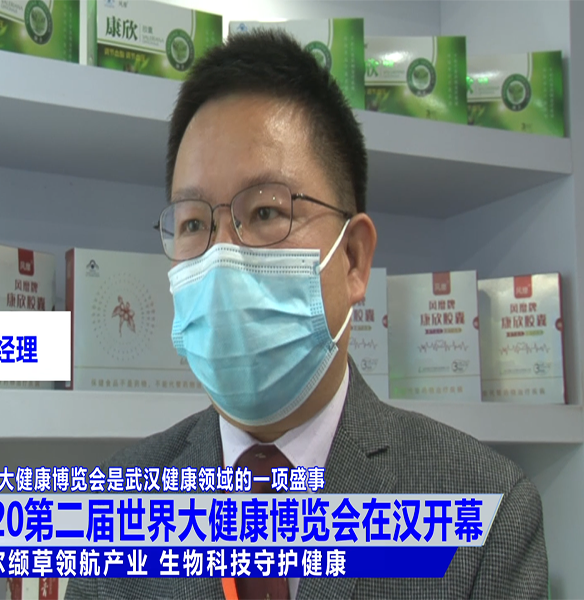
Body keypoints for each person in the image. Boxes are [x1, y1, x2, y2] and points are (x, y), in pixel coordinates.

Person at [65, 30, 548, 600]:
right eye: (194, 223)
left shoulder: (487, 514)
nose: (222, 256)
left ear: (353, 259)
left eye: (266, 212)